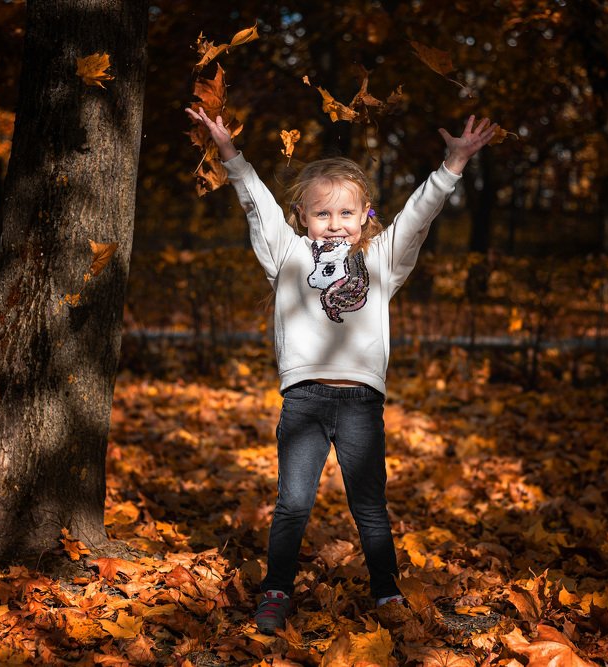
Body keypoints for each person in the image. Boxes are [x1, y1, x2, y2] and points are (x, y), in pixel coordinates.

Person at [186, 106, 498, 635]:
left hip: (360, 406)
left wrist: (453, 164)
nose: (335, 224)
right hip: (304, 402)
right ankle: (276, 591)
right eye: (322, 215)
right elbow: (255, 203)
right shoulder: (286, 255)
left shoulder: (382, 260)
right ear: (303, 218)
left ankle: (386, 592)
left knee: (370, 507)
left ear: (365, 215)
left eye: (346, 214)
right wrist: (230, 153)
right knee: (291, 506)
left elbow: (420, 216)